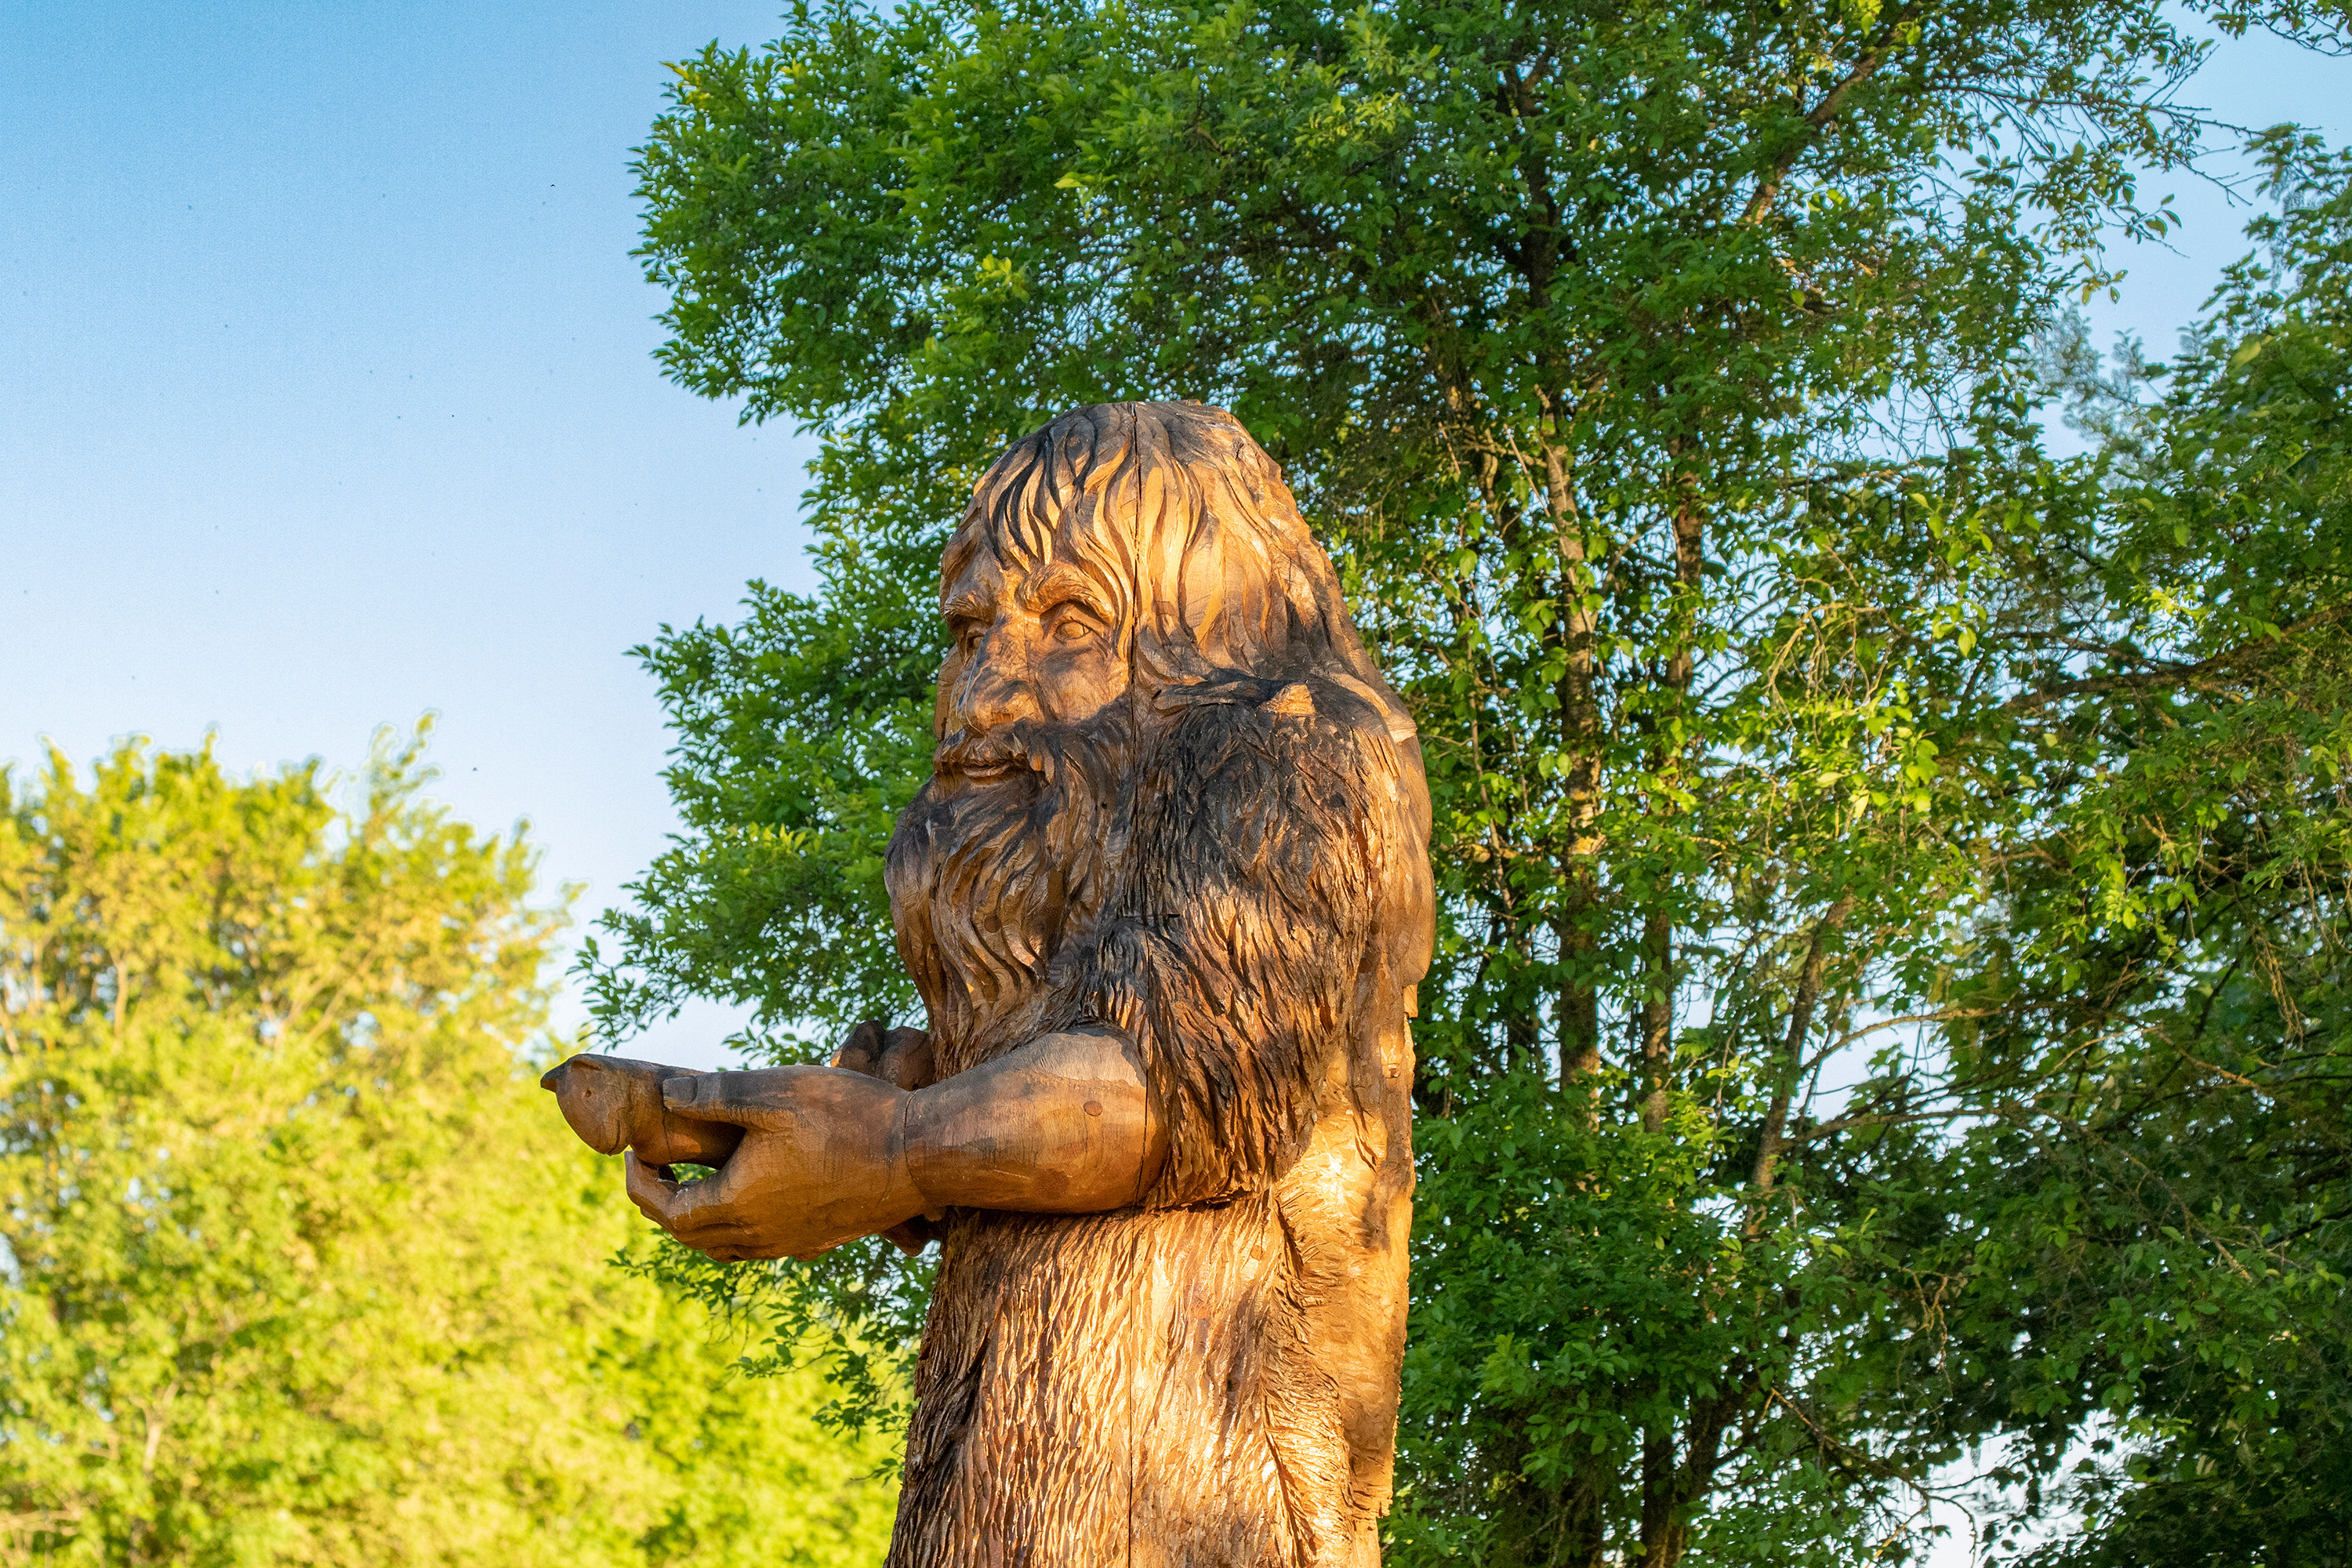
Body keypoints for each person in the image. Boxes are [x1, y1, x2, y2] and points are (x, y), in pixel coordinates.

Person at [587, 401, 1432, 1566]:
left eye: (1070, 621)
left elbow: (1178, 1084)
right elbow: (1086, 1036)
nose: (985, 692)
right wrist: (909, 1097)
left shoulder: (1285, 745)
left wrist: (895, 1149)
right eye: (970, 629)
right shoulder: (1076, 826)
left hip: (1201, 1487)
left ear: (1208, 627)